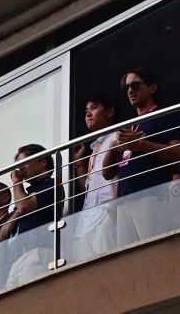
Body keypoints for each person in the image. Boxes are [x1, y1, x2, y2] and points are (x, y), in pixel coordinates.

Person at [101, 68, 180, 244]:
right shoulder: (131, 127)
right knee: (131, 266)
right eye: (127, 88)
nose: (130, 90)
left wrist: (140, 144)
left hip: (152, 196)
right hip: (125, 204)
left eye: (135, 85)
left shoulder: (164, 116)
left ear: (152, 88)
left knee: (156, 255)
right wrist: (112, 148)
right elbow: (107, 174)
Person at [0, 143, 64, 287]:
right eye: (18, 165)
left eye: (24, 163)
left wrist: (16, 182)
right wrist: (18, 212)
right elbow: (3, 234)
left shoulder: (52, 185)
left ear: (42, 163)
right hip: (18, 260)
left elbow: (24, 206)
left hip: (39, 254)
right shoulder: (24, 195)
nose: (20, 169)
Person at [71, 92, 119, 259]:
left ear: (110, 112)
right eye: (86, 111)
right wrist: (79, 163)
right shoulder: (94, 148)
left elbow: (120, 175)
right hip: (87, 222)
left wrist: (113, 210)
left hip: (106, 214)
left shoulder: (117, 137)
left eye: (94, 108)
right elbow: (87, 187)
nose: (88, 114)